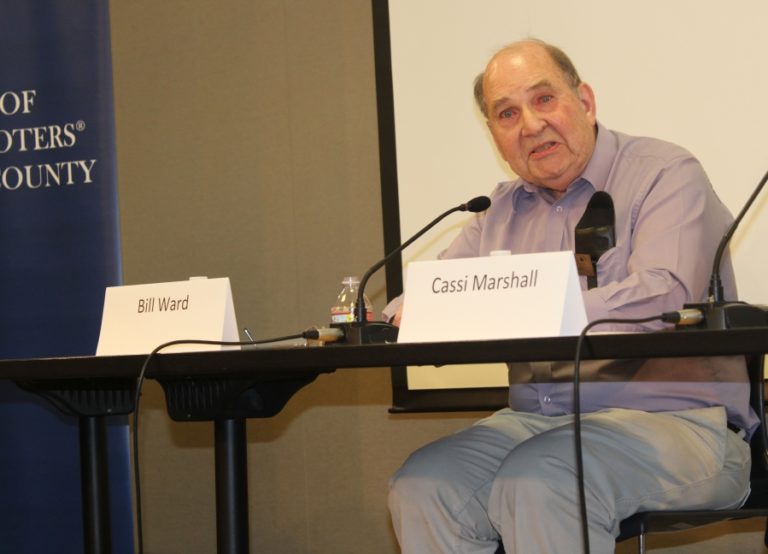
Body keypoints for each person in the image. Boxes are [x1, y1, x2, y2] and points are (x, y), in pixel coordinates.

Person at [384, 39, 757, 553]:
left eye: (543, 100)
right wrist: (406, 311)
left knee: (541, 478)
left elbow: (665, 296)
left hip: (679, 422)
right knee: (424, 485)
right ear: (494, 134)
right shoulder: (498, 211)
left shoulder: (664, 174)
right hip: (534, 423)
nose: (531, 125)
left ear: (584, 100)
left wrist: (532, 306)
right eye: (507, 113)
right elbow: (434, 296)